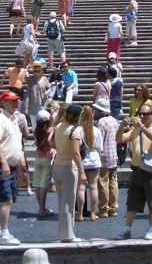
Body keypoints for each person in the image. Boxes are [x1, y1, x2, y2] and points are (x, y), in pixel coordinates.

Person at [117, 105, 152, 241]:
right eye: (141, 114)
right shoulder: (135, 129)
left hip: (150, 171)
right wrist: (121, 126)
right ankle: (127, 229)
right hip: (137, 169)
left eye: (146, 114)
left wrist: (142, 128)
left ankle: (151, 229)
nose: (142, 116)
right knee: (132, 200)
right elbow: (120, 139)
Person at [0, 90, 24, 245]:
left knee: (8, 200)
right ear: (3, 103)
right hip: (2, 165)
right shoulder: (0, 119)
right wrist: (4, 162)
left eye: (16, 100)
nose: (15, 103)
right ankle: (3, 233)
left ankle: (1, 231)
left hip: (12, 166)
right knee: (6, 200)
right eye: (11, 101)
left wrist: (21, 166)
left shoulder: (14, 119)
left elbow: (17, 144)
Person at [52, 104, 84, 243]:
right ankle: (68, 235)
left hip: (57, 165)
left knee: (61, 202)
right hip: (68, 168)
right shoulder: (75, 131)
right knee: (69, 203)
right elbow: (76, 153)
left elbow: (53, 143)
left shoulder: (58, 126)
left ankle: (64, 233)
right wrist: (82, 171)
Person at [33, 110, 55, 217]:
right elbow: (50, 142)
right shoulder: (50, 129)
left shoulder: (36, 130)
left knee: (37, 184)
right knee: (44, 186)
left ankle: (40, 207)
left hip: (38, 158)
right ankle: (42, 209)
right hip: (47, 158)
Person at [26, 62, 50, 128]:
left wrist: (47, 93)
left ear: (42, 71)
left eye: (38, 71)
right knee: (34, 126)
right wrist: (27, 68)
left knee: (43, 125)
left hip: (43, 105)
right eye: (35, 71)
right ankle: (36, 138)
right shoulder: (30, 79)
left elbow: (50, 89)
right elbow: (24, 75)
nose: (36, 72)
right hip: (33, 106)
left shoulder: (44, 79)